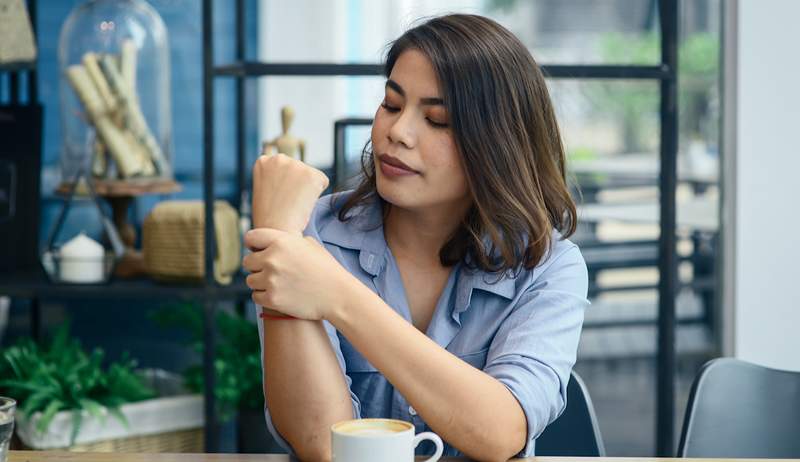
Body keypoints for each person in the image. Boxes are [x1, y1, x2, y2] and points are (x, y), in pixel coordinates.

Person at [243, 14, 588, 461]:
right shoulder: (311, 234)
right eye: (391, 104)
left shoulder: (548, 268)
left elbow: (499, 431)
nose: (398, 133)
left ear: (499, 144)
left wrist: (335, 294)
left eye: (437, 120)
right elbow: (321, 443)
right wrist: (279, 234)